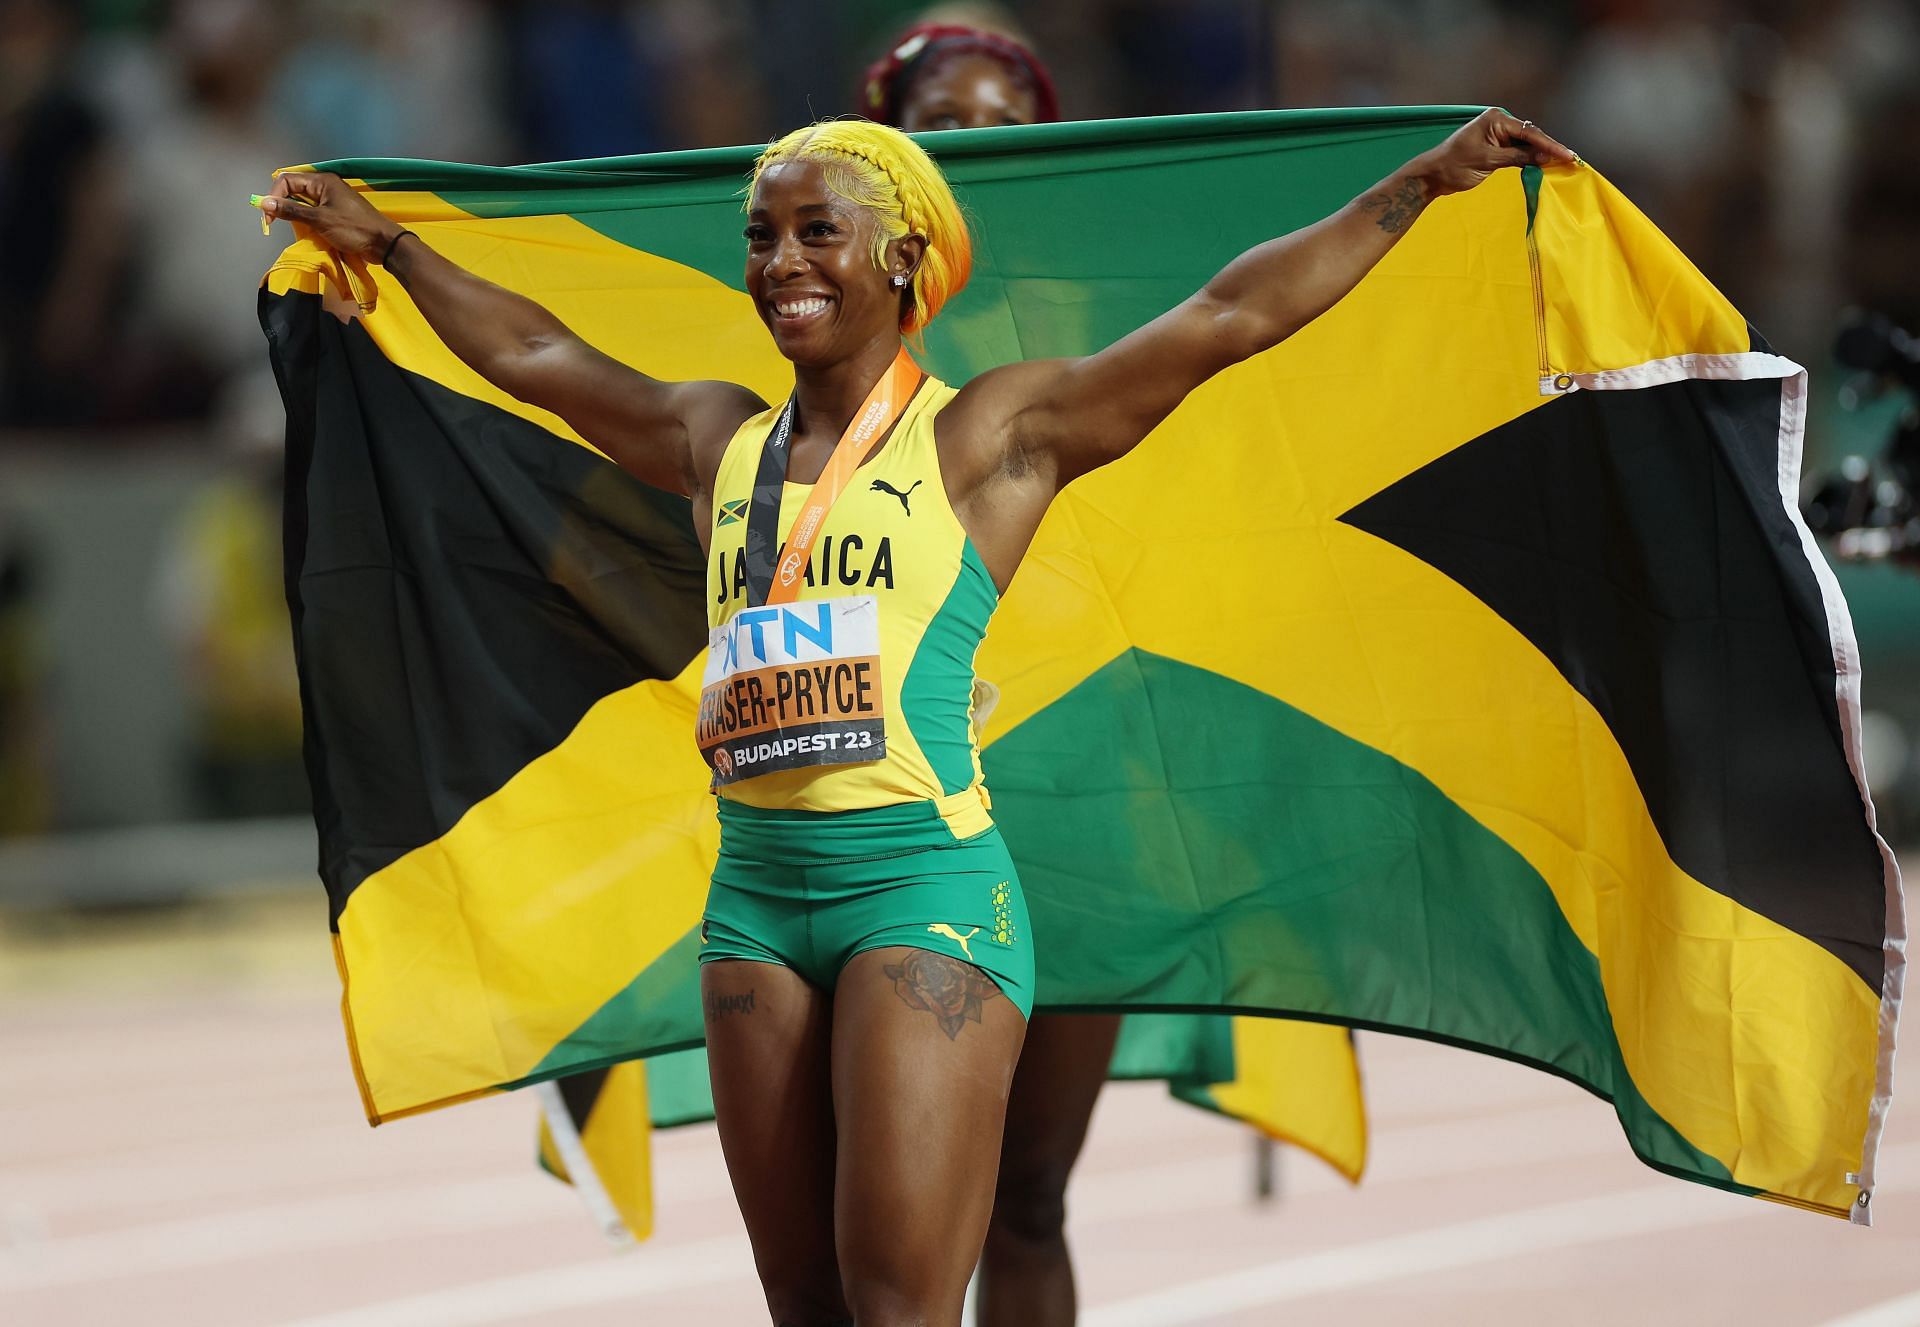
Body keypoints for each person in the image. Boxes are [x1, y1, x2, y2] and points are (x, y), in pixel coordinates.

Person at [262, 106, 1572, 1325]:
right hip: (753, 912)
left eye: (816, 231)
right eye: (762, 236)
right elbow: (541, 356)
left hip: (923, 896)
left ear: (901, 257)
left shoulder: (989, 439)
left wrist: (1417, 186)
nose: (781, 261)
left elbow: (1226, 317)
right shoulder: (712, 439)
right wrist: (393, 251)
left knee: (899, 1312)